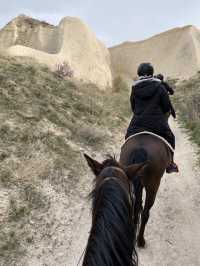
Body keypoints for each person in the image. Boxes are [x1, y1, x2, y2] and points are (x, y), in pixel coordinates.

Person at [125, 63, 178, 173]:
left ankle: (126, 163)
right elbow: (166, 106)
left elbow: (133, 107)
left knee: (127, 138)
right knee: (171, 137)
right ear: (151, 73)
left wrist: (140, 114)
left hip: (137, 123)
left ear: (139, 73)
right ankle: (171, 164)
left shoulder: (134, 88)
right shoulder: (160, 86)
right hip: (157, 123)